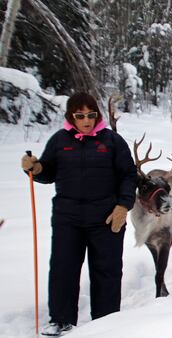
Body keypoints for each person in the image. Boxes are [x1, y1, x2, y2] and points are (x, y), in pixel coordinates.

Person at [20, 92, 137, 337]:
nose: (86, 120)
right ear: (71, 116)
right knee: (63, 268)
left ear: (97, 115)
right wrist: (35, 168)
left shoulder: (112, 141)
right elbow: (47, 172)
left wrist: (123, 206)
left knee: (107, 270)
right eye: (80, 115)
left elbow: (128, 175)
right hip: (67, 217)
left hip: (106, 218)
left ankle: (106, 323)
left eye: (91, 115)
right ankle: (61, 321)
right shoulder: (59, 140)